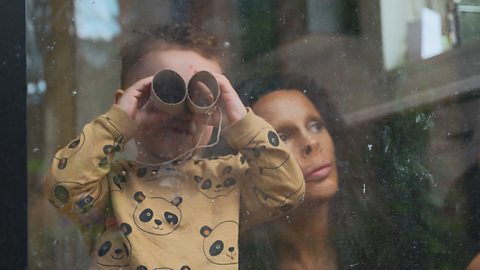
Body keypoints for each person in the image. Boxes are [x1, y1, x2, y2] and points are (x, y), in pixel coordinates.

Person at [43, 24, 304, 270]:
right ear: (126, 104)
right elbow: (64, 186)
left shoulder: (226, 179)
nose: (183, 111)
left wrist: (240, 121)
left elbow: (287, 188)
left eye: (200, 98)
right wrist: (117, 123)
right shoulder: (109, 186)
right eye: (166, 93)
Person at [238, 73, 386, 270]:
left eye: (315, 126)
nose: (311, 142)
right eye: (280, 138)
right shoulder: (238, 261)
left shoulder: (384, 241)